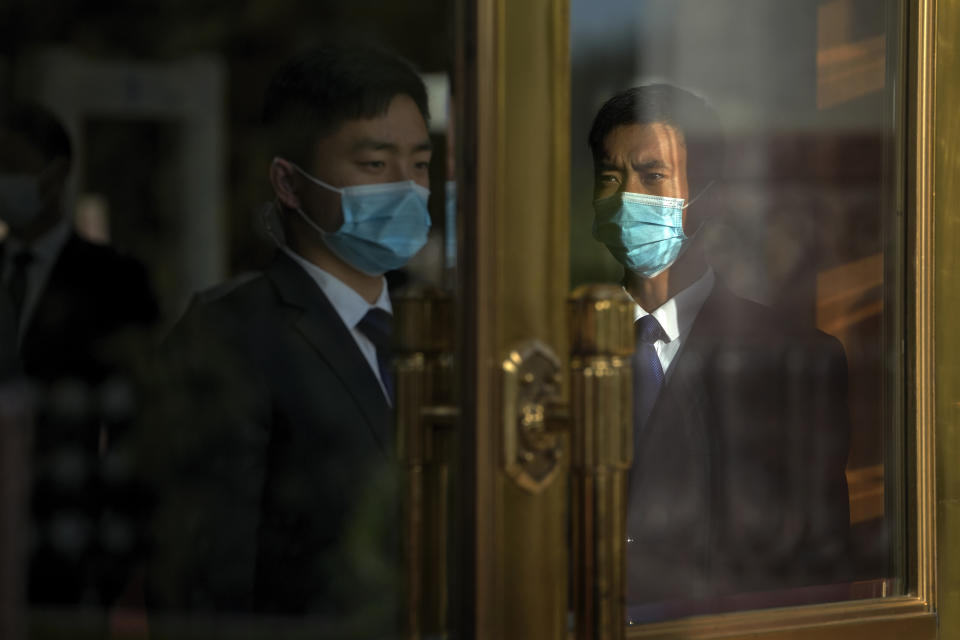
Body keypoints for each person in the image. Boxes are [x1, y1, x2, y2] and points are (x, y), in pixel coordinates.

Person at [143, 43, 433, 634]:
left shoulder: (439, 327)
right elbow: (205, 582)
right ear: (289, 182)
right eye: (375, 165)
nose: (407, 188)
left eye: (421, 165)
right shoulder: (231, 333)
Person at [586, 85, 851, 618]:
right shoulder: (553, 348)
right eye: (611, 178)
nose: (626, 198)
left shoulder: (793, 359)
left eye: (653, 176)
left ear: (712, 194)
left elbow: (817, 564)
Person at [0, 103, 159, 612]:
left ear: (57, 173)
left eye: (13, 165)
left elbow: (139, 407)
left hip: (75, 536)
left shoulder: (116, 281)